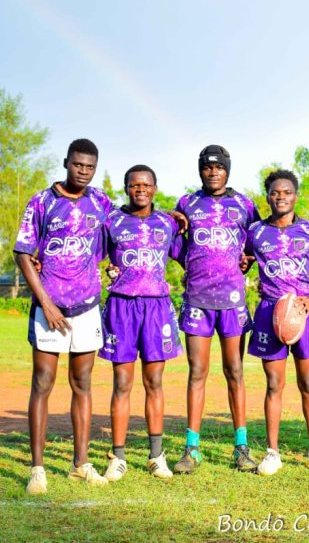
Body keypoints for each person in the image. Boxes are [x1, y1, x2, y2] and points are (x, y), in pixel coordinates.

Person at [15, 139, 112, 494]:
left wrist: (172, 217)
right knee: (42, 382)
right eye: (77, 165)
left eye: (89, 166)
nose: (83, 171)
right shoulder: (42, 202)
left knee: (82, 384)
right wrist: (46, 303)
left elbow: (126, 226)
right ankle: (37, 469)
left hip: (87, 306)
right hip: (49, 308)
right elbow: (23, 253)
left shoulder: (100, 201)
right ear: (66, 162)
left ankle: (79, 464)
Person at [173, 145, 260, 473]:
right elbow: (177, 245)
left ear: (228, 170)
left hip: (232, 302)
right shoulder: (187, 203)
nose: (213, 172)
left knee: (235, 372)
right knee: (197, 372)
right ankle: (191, 449)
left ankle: (241, 447)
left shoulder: (244, 204)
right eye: (207, 168)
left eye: (218, 167)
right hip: (197, 299)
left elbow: (254, 246)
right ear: (200, 170)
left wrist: (246, 262)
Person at [244, 170, 309, 475]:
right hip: (271, 312)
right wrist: (246, 268)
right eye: (274, 192)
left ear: (296, 196)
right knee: (274, 384)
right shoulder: (255, 232)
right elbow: (243, 261)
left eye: (286, 192)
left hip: (304, 311)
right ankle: (272, 452)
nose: (280, 197)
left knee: (308, 383)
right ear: (267, 196)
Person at [98, 165, 184, 482]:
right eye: (135, 185)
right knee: (122, 384)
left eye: (146, 185)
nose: (141, 190)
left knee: (154, 382)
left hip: (157, 306)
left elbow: (185, 255)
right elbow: (94, 255)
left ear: (155, 188)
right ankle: (117, 457)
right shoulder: (112, 222)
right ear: (126, 188)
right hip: (121, 306)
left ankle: (156, 456)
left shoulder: (167, 223)